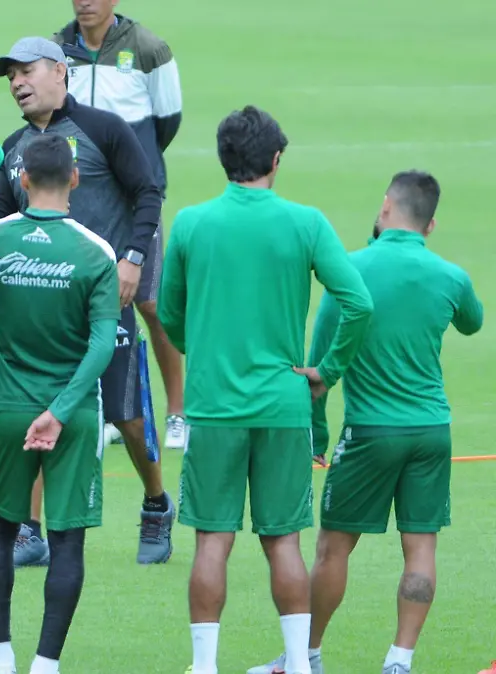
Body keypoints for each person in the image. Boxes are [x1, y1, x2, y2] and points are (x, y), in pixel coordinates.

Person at [156, 105, 374, 674]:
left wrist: (202, 350)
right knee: (283, 541)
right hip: (283, 405)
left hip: (215, 406)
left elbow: (171, 316)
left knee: (212, 540)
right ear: (275, 160)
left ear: (225, 160)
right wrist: (327, 369)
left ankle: (204, 666)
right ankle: (300, 664)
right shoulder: (305, 222)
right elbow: (358, 302)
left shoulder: (192, 223)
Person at [248, 171, 484, 674]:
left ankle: (303, 656)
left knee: (334, 548)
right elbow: (473, 321)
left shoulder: (349, 271)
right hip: (431, 431)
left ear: (384, 209)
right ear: (431, 223)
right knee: (421, 546)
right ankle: (400, 660)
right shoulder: (450, 276)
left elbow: (317, 364)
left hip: (370, 433)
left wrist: (317, 435)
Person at [0, 36, 171, 567]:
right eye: (10, 75)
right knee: (37, 406)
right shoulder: (12, 149)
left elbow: (149, 192)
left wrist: (133, 258)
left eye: (26, 70)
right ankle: (27, 530)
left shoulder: (104, 129)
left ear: (61, 72)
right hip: (43, 308)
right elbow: (13, 221)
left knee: (127, 416)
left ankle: (155, 502)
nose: (17, 82)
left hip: (105, 298)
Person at [0, 133, 121, 674]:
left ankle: (1, 657)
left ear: (23, 181)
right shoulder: (96, 252)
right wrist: (59, 412)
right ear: (75, 179)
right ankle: (46, 665)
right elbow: (103, 344)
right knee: (66, 539)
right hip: (75, 414)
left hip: (10, 410)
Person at [52, 0, 187, 450]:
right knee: (84, 304)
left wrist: (131, 165)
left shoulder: (148, 49)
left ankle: (176, 412)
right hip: (77, 201)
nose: (84, 2)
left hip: (133, 201)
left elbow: (167, 120)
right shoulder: (56, 49)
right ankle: (107, 407)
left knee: (150, 304)